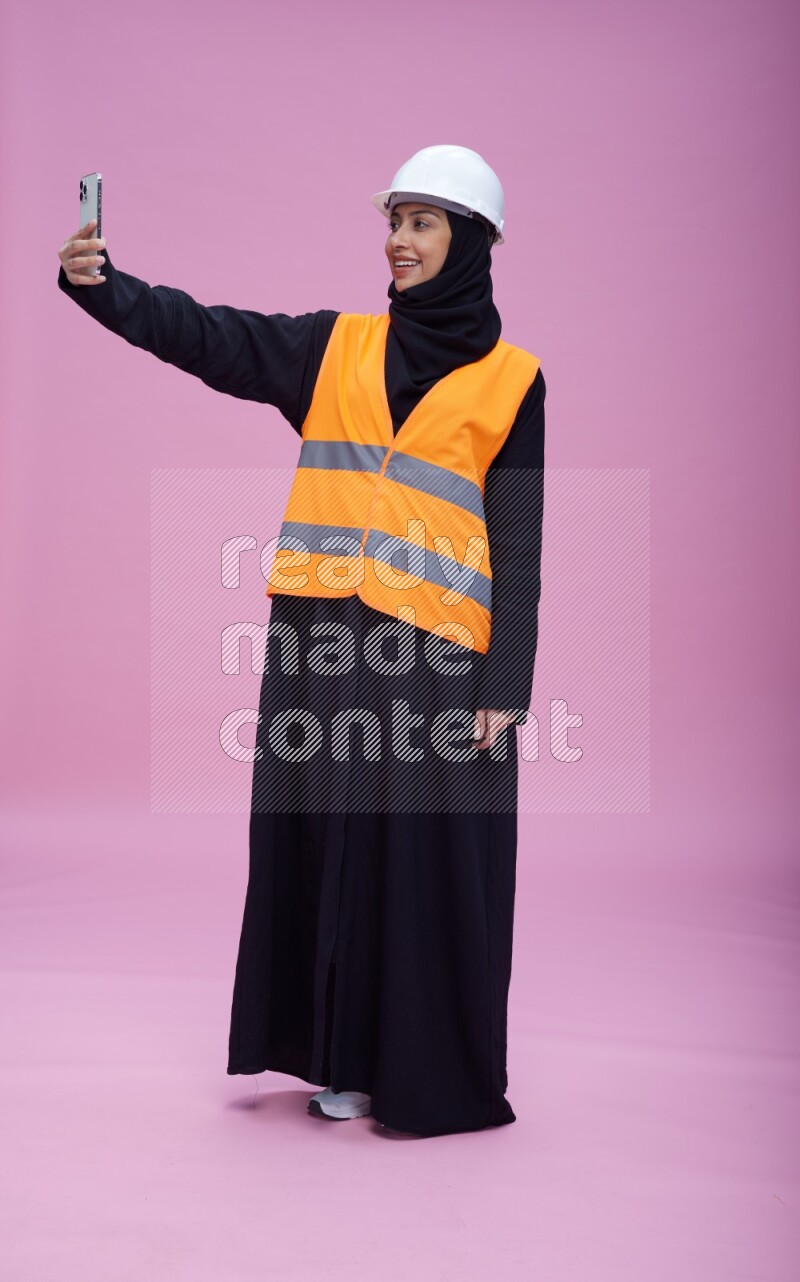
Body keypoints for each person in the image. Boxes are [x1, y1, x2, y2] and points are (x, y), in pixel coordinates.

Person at [56, 144, 547, 1138]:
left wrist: (507, 685)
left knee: (417, 855)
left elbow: (518, 542)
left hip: (439, 657)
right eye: (394, 221)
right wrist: (108, 293)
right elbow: (216, 337)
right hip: (322, 638)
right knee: (325, 836)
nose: (398, 241)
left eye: (422, 223)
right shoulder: (335, 348)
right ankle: (337, 1057)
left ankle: (414, 1069)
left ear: (471, 244)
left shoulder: (514, 383)